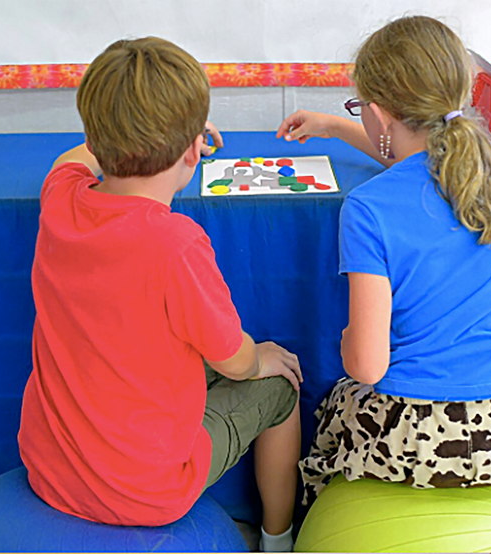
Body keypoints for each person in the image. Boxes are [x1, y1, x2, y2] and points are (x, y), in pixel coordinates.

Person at [276, 16, 491, 507]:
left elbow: (366, 365)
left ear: (379, 115)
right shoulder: (487, 172)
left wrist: (346, 341)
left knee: (335, 408)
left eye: (357, 108)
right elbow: (413, 159)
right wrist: (336, 127)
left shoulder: (366, 209)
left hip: (423, 435)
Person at [18, 37, 301, 552]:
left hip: (49, 466)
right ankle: (278, 540)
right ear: (194, 151)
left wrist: (142, 128)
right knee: (281, 382)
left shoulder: (59, 198)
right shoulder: (177, 245)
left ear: (95, 137)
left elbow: (70, 158)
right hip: (145, 492)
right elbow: (235, 361)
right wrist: (259, 359)